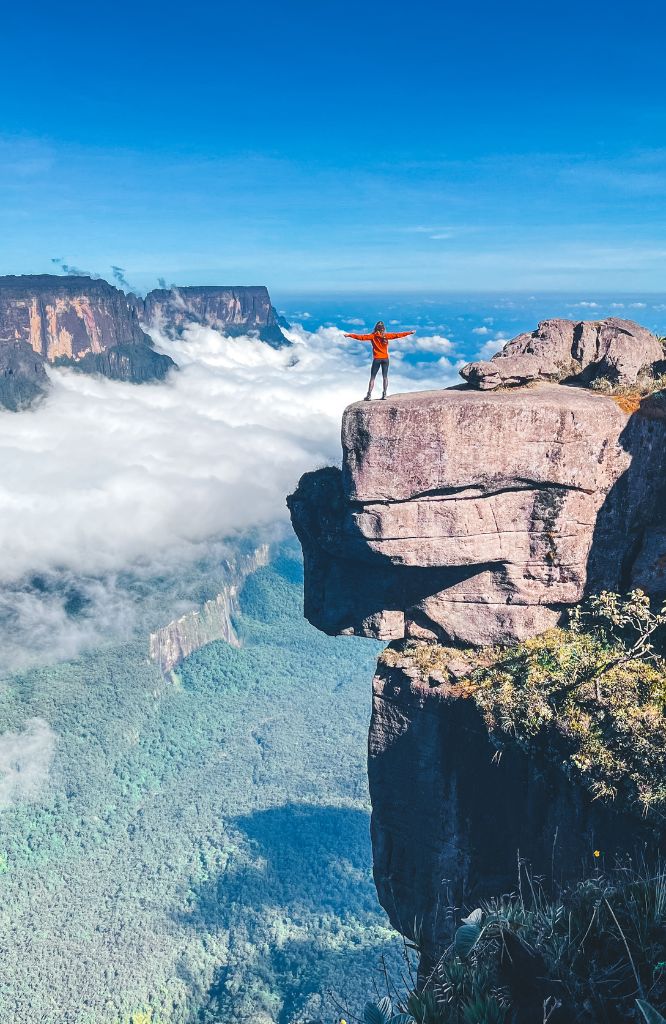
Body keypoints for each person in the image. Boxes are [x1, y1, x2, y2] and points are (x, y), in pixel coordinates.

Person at [344, 320, 415, 400]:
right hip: (385, 359)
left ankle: (369, 395)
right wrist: (410, 332)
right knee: (385, 377)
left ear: (375, 328)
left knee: (372, 378)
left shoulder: (372, 336)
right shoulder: (386, 336)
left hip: (377, 359)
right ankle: (384, 394)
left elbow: (361, 337)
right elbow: (398, 335)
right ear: (383, 328)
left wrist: (349, 335)